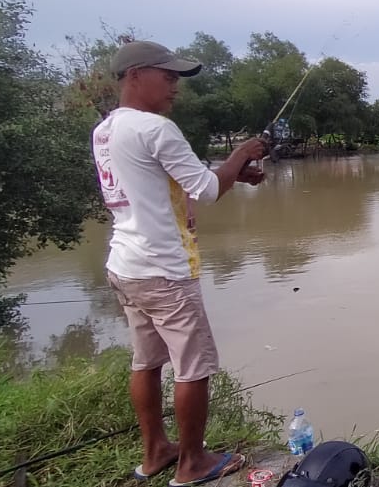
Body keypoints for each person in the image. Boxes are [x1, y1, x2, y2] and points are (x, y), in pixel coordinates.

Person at [93, 41, 263, 485]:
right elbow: (205, 190)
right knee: (195, 367)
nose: (175, 88)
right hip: (165, 270)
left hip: (126, 264)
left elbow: (173, 184)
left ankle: (155, 452)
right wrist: (239, 156)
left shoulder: (107, 129)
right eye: (167, 77)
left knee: (145, 361)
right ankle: (193, 464)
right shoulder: (156, 129)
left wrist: (230, 175)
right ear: (135, 76)